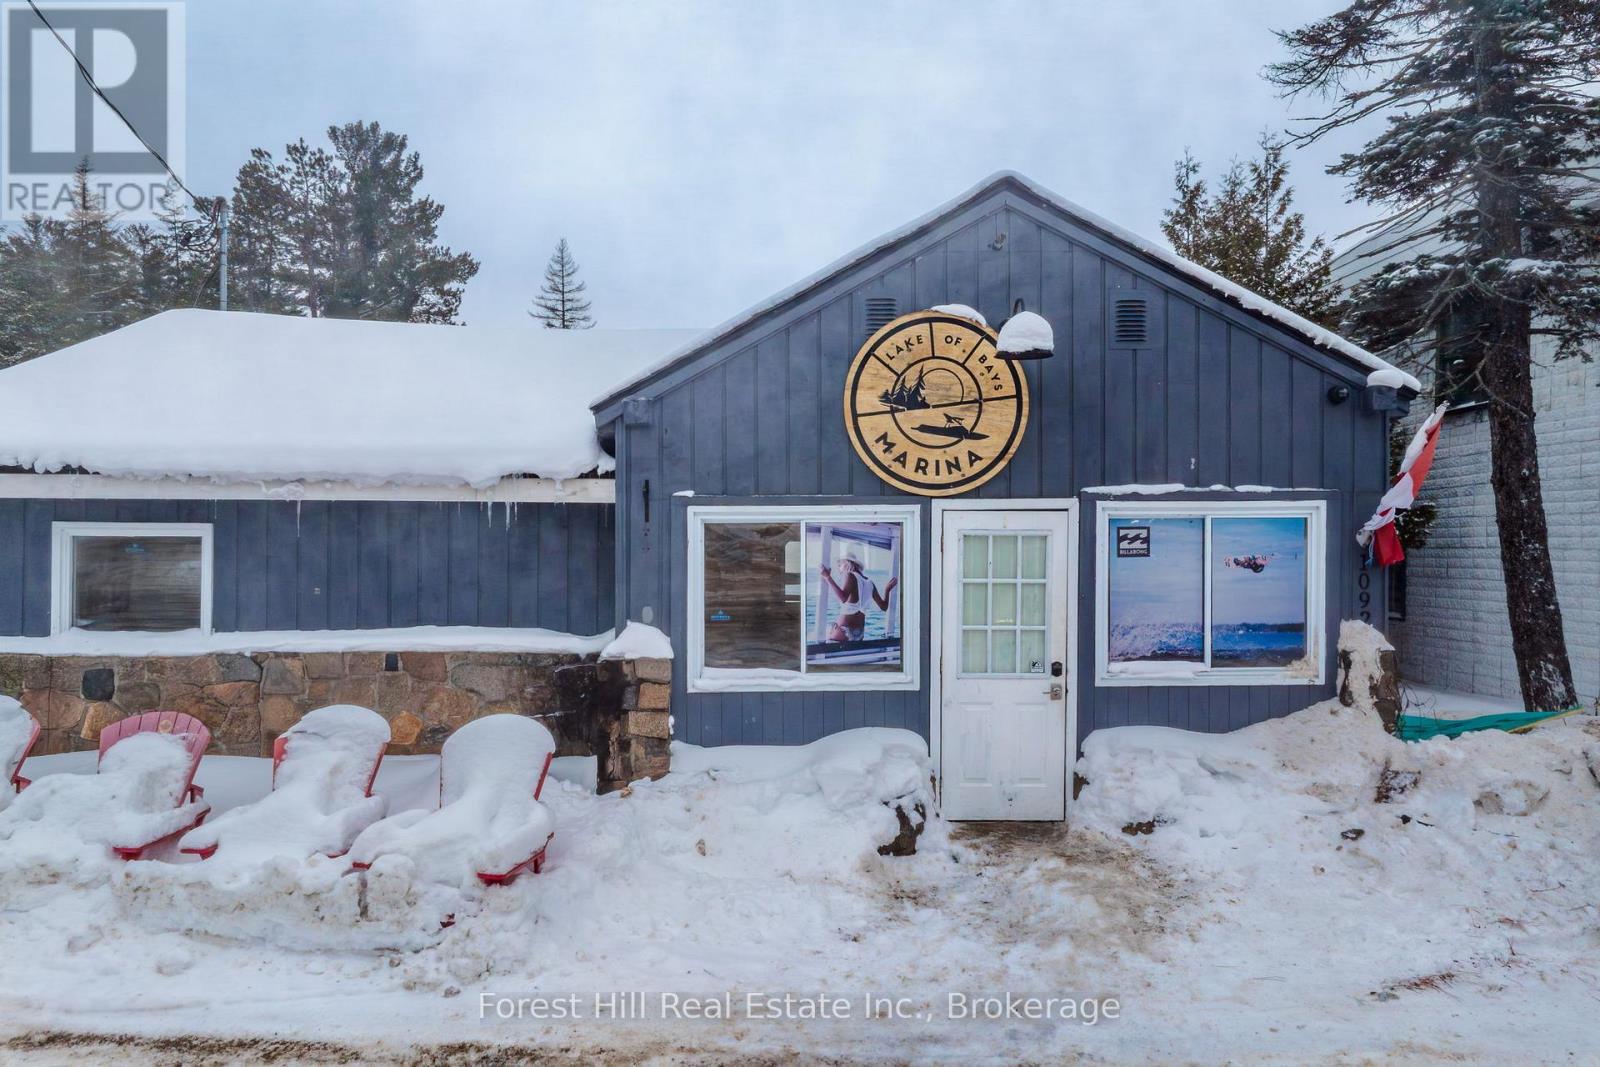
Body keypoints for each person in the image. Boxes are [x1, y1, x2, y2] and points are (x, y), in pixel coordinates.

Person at [819, 549, 898, 643]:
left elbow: (843, 598)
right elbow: (884, 607)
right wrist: (887, 590)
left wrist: (827, 577)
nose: (839, 569)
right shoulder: (870, 583)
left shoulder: (850, 575)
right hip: (859, 632)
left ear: (847, 563)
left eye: (839, 565)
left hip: (844, 629)